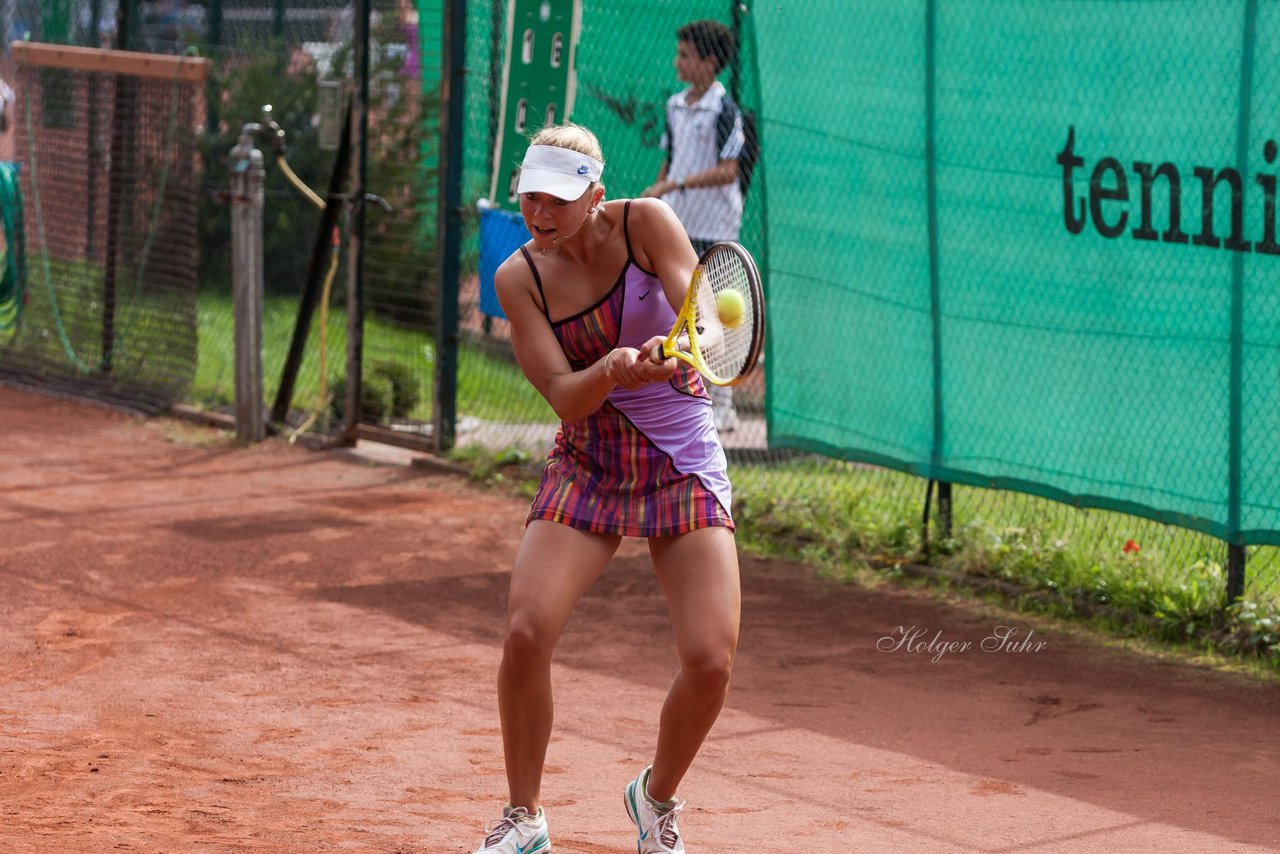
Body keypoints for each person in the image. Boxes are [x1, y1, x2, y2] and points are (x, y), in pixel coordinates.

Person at [473, 123, 741, 854]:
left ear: (596, 193)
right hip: (590, 458)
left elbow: (700, 309)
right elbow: (563, 394)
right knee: (527, 631)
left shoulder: (647, 222)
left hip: (680, 455)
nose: (540, 214)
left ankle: (655, 802)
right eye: (530, 197)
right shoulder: (516, 276)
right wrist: (614, 369)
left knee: (711, 660)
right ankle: (524, 818)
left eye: (558, 199)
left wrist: (685, 341)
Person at [642, 19, 745, 433]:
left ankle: (725, 403)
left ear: (710, 62)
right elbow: (672, 160)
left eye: (685, 55)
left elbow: (729, 170)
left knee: (721, 313)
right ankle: (691, 395)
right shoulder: (673, 105)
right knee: (684, 312)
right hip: (679, 225)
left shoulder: (725, 109)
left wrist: (677, 183)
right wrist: (658, 192)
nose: (677, 62)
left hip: (716, 226)